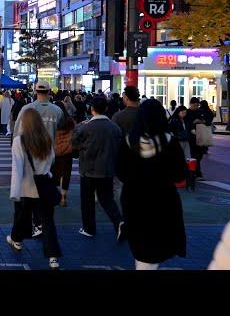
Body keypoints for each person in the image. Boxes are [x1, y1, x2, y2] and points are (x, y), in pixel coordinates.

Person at [116, 99, 187, 270]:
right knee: (157, 245)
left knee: (140, 245)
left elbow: (120, 172)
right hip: (163, 200)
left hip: (134, 199)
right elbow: (180, 174)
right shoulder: (170, 142)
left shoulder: (128, 142)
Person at [7, 108, 61, 269]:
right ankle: (53, 258)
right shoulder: (46, 138)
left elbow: (17, 168)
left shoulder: (19, 141)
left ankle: (16, 240)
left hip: (27, 186)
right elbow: (51, 160)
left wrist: (14, 191)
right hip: (44, 184)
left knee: (22, 216)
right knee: (48, 222)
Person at [72, 96, 125, 241]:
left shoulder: (85, 126)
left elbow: (74, 143)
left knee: (87, 200)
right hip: (107, 168)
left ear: (91, 108)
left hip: (88, 169)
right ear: (106, 109)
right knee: (107, 199)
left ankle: (89, 228)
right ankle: (119, 221)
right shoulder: (114, 128)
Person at [52, 101, 75, 207]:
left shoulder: (53, 120)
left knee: (54, 173)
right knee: (66, 174)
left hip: (55, 150)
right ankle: (63, 197)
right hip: (67, 150)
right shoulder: (69, 120)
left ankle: (54, 194)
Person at [185, 97, 213, 179]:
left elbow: (208, 121)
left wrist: (202, 121)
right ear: (191, 104)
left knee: (199, 155)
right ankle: (196, 173)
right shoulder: (187, 112)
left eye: (197, 105)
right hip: (191, 137)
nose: (196, 107)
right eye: (194, 105)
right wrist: (193, 122)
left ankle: (195, 173)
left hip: (201, 136)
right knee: (194, 155)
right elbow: (186, 124)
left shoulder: (200, 112)